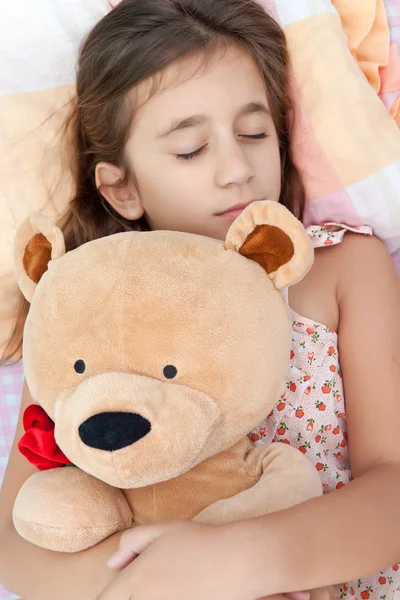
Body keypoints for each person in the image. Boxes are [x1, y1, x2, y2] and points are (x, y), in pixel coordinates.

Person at [1, 1, 400, 599]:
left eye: (254, 133)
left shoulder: (342, 267)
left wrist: (246, 559)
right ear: (122, 186)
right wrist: (167, 584)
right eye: (191, 149)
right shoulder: (81, 305)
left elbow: (392, 485)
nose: (237, 168)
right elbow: (17, 545)